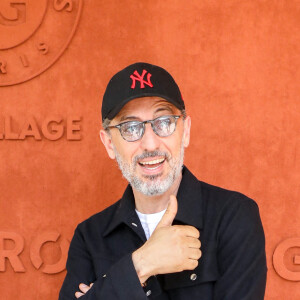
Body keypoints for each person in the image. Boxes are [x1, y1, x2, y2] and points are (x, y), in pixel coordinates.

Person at [59, 62, 267, 300]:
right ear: (109, 144)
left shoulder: (234, 217)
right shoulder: (90, 237)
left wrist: (107, 289)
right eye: (130, 127)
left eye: (164, 122)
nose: (150, 144)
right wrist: (142, 263)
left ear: (185, 131)